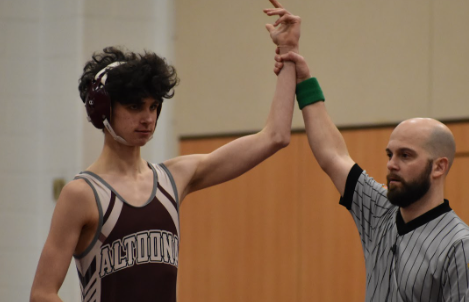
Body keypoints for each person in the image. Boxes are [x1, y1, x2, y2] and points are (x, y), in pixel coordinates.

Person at [29, 1, 300, 301]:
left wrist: (289, 52)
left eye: (153, 107)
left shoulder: (174, 178)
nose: (147, 118)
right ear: (102, 110)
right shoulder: (82, 194)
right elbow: (42, 293)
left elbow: (275, 136)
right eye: (135, 107)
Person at [269, 10, 469, 301]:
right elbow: (332, 155)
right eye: (390, 154)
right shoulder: (379, 210)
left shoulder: (463, 246)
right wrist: (302, 76)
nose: (391, 164)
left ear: (439, 167)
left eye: (406, 155)